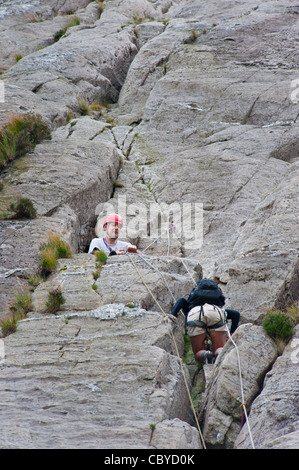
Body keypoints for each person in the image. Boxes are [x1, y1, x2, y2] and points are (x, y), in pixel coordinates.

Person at [170, 278, 240, 363]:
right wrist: (231, 334)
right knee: (220, 348)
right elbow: (236, 314)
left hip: (195, 313)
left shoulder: (192, 302)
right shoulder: (217, 305)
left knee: (198, 353)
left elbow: (181, 301)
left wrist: (172, 315)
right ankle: (219, 352)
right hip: (215, 312)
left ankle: (205, 354)